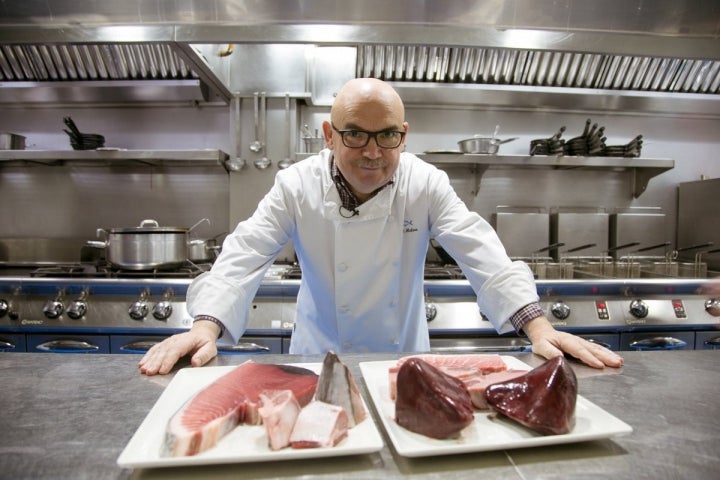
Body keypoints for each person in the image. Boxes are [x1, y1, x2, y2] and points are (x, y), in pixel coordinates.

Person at [139, 78, 623, 375]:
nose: (373, 152)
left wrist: (535, 326)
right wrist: (206, 327)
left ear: (403, 136)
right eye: (355, 134)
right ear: (329, 136)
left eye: (387, 136)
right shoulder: (295, 186)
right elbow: (242, 257)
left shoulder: (425, 182)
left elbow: (481, 253)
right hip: (319, 360)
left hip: (405, 362)